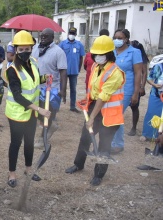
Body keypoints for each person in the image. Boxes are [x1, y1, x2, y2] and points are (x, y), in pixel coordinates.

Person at [65, 35, 125, 186]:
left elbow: (104, 96)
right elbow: (94, 90)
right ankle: (78, 164)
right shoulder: (95, 67)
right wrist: (87, 100)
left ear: (109, 54)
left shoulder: (115, 72)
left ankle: (98, 174)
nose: (98, 57)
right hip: (94, 106)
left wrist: (91, 117)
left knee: (104, 144)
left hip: (109, 114)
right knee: (85, 137)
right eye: (96, 54)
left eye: (101, 54)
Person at [5, 30, 51, 188]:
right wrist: (39, 109)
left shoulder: (34, 63)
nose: (25, 52)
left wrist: (46, 78)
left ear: (32, 48)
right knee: (16, 143)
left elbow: (35, 81)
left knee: (29, 142)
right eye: (21, 49)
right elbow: (17, 96)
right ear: (16, 50)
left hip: (31, 112)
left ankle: (29, 169)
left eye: (28, 49)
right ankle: (12, 173)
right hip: (17, 114)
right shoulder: (12, 70)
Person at [31, 28, 67, 147]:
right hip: (37, 85)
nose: (43, 38)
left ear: (53, 37)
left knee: (47, 112)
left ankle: (43, 138)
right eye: (42, 36)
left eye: (46, 36)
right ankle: (51, 125)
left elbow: (63, 72)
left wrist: (63, 90)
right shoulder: (35, 48)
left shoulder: (58, 52)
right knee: (37, 111)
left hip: (51, 87)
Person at [110, 29, 142, 154]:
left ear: (127, 39)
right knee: (113, 114)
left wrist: (136, 92)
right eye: (115, 37)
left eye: (120, 37)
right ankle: (113, 142)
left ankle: (117, 144)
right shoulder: (112, 51)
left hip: (126, 89)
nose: (117, 40)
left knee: (116, 114)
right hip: (112, 88)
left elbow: (138, 72)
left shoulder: (134, 52)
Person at [137, 62, 163, 170]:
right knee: (155, 126)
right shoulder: (159, 66)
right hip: (157, 96)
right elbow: (150, 78)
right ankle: (153, 160)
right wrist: (155, 85)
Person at [59, 27, 85, 113]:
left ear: (76, 34)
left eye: (73, 33)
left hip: (74, 71)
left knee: (73, 89)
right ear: (68, 33)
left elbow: (81, 57)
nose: (71, 35)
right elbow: (58, 56)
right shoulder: (62, 44)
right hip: (63, 70)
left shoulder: (79, 45)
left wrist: (78, 69)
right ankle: (57, 106)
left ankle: (72, 106)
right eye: (70, 33)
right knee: (61, 88)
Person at [127, 40, 149, 136]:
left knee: (134, 107)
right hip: (127, 84)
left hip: (136, 86)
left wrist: (142, 87)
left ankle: (134, 128)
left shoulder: (141, 59)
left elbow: (144, 74)